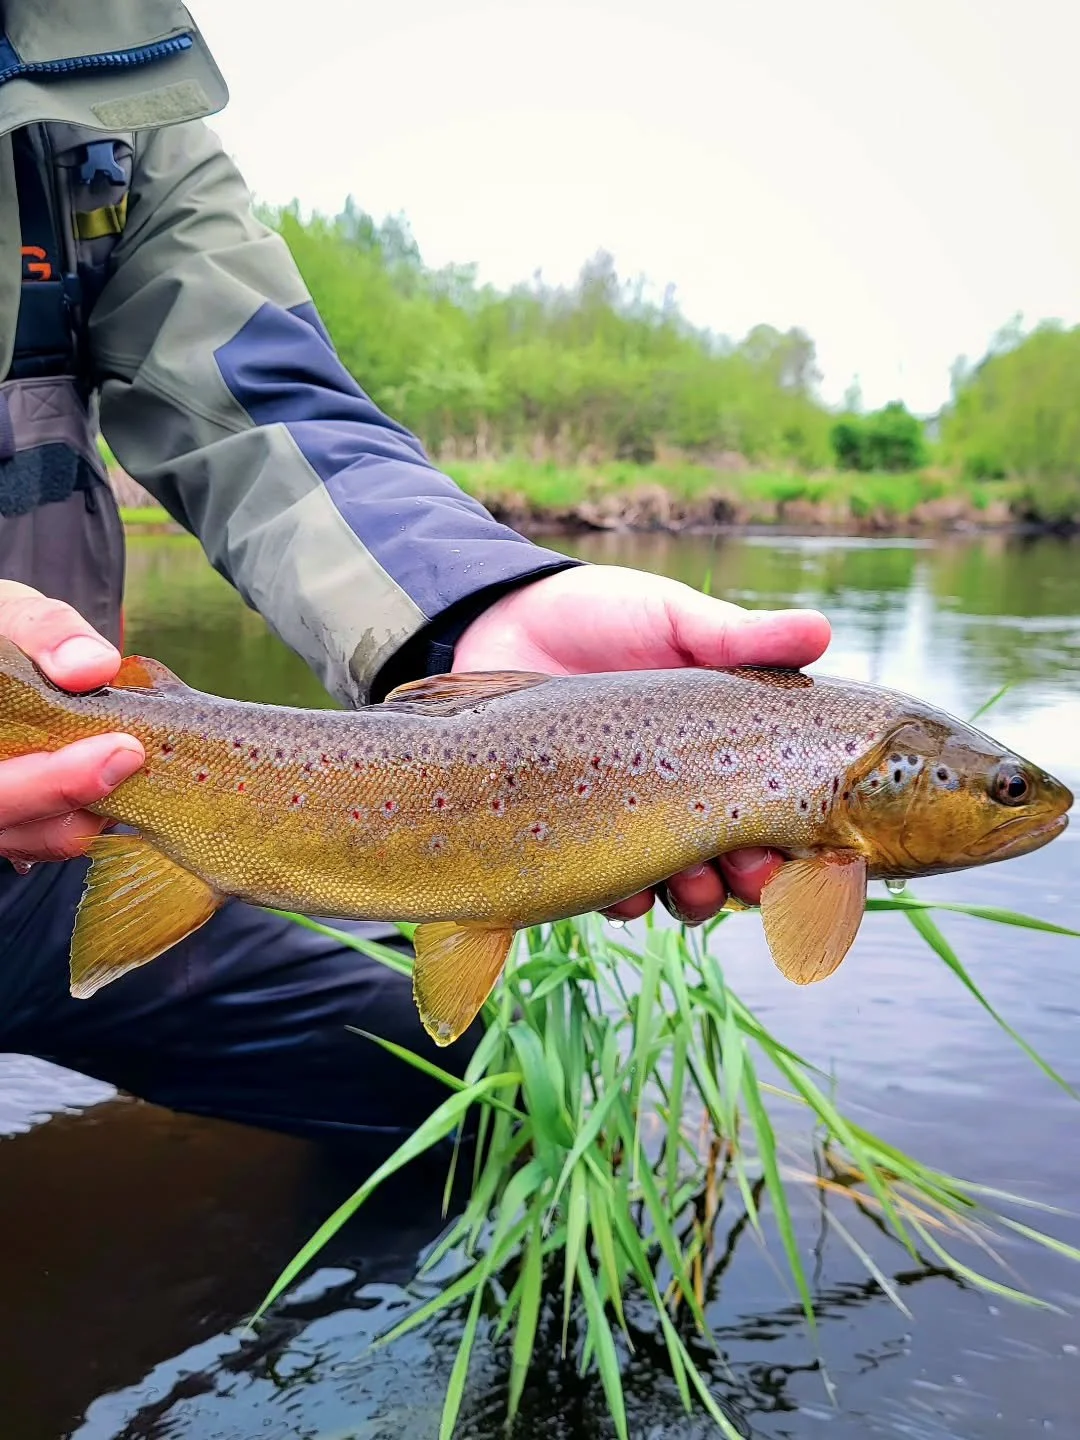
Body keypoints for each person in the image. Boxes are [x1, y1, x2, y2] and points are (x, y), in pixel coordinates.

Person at [0, 2, 830, 1145]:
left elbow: (262, 403)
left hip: (64, 816)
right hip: (81, 769)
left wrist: (475, 607)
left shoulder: (105, 68)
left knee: (455, 1090)